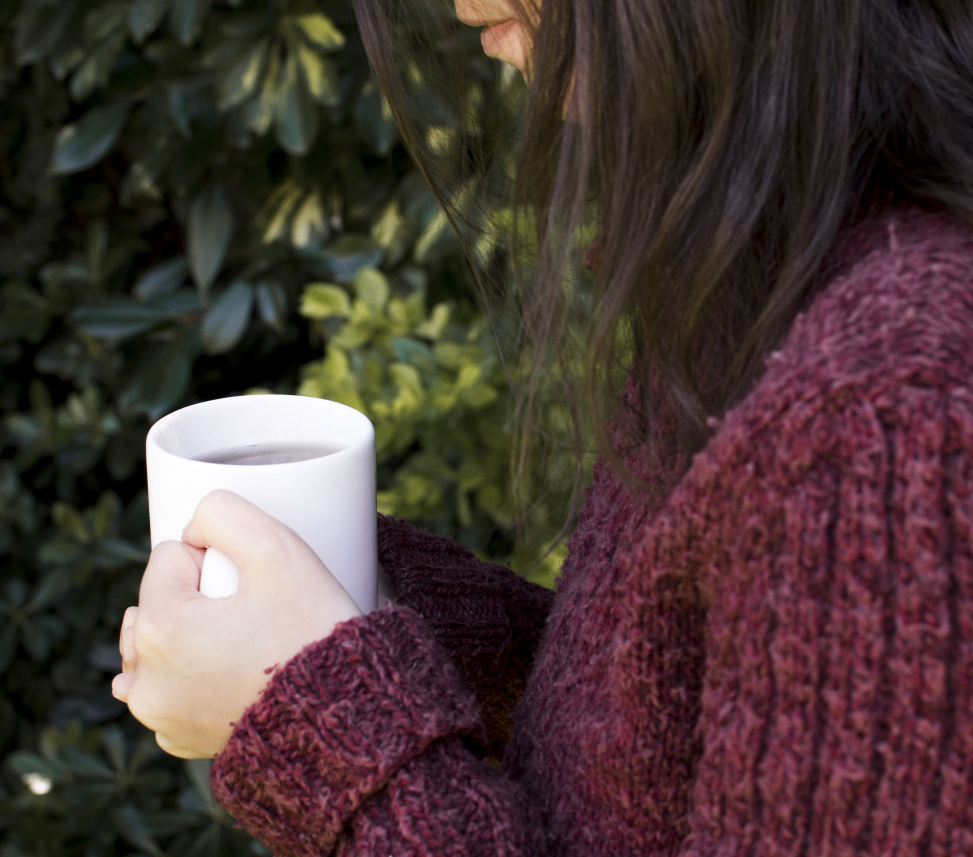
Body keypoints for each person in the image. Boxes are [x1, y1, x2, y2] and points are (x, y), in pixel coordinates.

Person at [112, 0, 973, 853]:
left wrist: (321, 724)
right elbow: (648, 745)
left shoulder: (889, 410)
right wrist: (361, 608)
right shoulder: (780, 273)